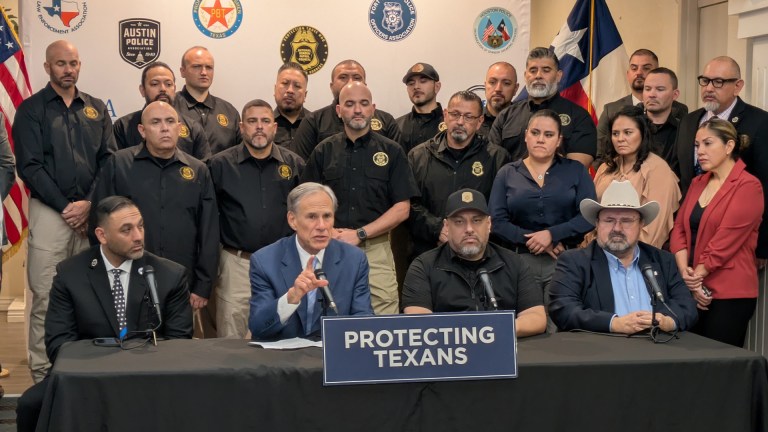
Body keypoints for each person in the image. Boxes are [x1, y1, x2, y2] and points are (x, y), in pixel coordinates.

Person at [15, 195, 193, 432]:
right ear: (102, 235)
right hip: (87, 375)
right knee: (29, 404)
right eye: (126, 230)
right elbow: (58, 343)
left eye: (140, 226)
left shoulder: (169, 275)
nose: (138, 236)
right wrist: (107, 369)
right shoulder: (70, 274)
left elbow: (179, 342)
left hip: (151, 375)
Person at [13, 40, 116, 381]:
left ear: (80, 65)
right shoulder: (31, 110)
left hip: (91, 214)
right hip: (49, 213)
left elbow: (108, 160)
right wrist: (66, 207)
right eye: (60, 63)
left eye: (73, 63)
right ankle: (43, 373)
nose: (67, 69)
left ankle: (84, 371)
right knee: (44, 295)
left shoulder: (97, 108)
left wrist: (88, 203)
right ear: (47, 68)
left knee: (89, 294)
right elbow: (29, 166)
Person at [94, 101, 219, 320]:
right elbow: (100, 225)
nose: (164, 128)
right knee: (129, 346)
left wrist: (203, 285)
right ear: (142, 130)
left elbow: (208, 231)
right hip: (127, 277)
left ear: (179, 128)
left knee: (177, 348)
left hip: (181, 280)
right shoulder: (118, 164)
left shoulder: (198, 171)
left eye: (170, 121)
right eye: (156, 122)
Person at [301, 82, 419, 315]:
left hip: (375, 249)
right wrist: (329, 230)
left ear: (372, 109)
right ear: (338, 110)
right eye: (350, 104)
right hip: (329, 247)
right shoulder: (323, 152)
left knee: (385, 315)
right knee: (329, 313)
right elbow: (305, 202)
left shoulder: (392, 151)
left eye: (364, 104)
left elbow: (402, 208)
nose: (357, 110)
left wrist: (360, 234)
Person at [489, 110, 595, 332]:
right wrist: (535, 240)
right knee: (523, 326)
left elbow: (589, 215)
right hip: (518, 261)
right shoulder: (507, 173)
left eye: (548, 134)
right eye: (535, 132)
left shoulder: (575, 171)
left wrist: (552, 234)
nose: (540, 139)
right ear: (526, 135)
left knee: (559, 326)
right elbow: (497, 221)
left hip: (564, 260)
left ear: (559, 141)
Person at [208, 99, 305, 338]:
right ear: (241, 127)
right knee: (232, 334)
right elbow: (207, 218)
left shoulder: (295, 165)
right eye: (252, 121)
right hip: (237, 263)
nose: (259, 127)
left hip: (283, 263)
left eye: (265, 121)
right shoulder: (219, 166)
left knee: (285, 328)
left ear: (274, 127)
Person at [549, 180, 698, 334]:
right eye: (609, 220)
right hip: (602, 351)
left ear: (641, 224)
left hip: (656, 349)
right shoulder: (574, 262)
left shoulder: (663, 260)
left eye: (626, 221)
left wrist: (667, 321)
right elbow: (563, 310)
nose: (617, 228)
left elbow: (687, 307)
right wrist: (614, 323)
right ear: (597, 224)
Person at [402, 188, 546, 337]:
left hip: (503, 349)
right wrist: (471, 334)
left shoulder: (514, 263)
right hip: (450, 353)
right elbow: (418, 322)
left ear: (489, 224)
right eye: (459, 222)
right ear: (446, 227)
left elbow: (536, 317)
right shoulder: (424, 266)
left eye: (476, 220)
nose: (469, 229)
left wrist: (497, 330)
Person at [670, 119, 763, 347]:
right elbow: (679, 229)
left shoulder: (749, 186)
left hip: (730, 293)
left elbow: (726, 241)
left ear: (729, 146)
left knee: (721, 370)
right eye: (697, 145)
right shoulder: (698, 182)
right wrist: (686, 273)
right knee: (691, 365)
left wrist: (695, 278)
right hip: (693, 287)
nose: (700, 151)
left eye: (708, 144)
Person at [249, 183, 373, 339]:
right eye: (312, 217)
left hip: (334, 357)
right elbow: (258, 327)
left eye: (327, 216)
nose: (321, 226)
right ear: (292, 220)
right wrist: (290, 299)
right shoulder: (264, 261)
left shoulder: (354, 259)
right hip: (283, 359)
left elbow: (363, 321)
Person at [675, 56, 768, 266]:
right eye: (705, 80)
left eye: (718, 82)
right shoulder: (690, 121)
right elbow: (682, 177)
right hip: (690, 235)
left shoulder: (760, 122)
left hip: (735, 240)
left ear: (737, 86)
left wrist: (763, 245)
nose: (709, 87)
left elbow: (765, 184)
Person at [409, 91, 510, 260]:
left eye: (469, 117)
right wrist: (438, 230)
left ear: (479, 122)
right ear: (445, 115)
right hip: (429, 253)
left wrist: (471, 235)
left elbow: (500, 208)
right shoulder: (419, 156)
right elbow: (409, 204)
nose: (460, 122)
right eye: (455, 114)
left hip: (481, 255)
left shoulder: (497, 158)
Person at [489, 47, 596, 168]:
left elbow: (576, 170)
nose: (538, 75)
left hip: (558, 186)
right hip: (509, 185)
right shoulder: (505, 116)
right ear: (525, 76)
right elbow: (492, 163)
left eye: (546, 70)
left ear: (558, 76)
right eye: (533, 70)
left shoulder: (579, 117)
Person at [592, 106, 680, 248]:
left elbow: (652, 231)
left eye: (628, 132)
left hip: (635, 256)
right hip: (598, 251)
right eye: (615, 133)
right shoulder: (605, 168)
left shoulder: (658, 170)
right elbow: (592, 217)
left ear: (643, 134)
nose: (620, 139)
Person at [291, 59, 401, 159]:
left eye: (357, 78)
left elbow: (398, 165)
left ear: (365, 85)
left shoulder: (386, 121)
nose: (350, 82)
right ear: (331, 86)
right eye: (343, 77)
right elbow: (302, 167)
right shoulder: (313, 122)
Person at [596, 49, 687, 158]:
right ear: (628, 73)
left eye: (646, 68)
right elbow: (600, 154)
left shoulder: (680, 111)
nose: (639, 72)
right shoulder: (611, 110)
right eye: (634, 68)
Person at [113, 61, 211, 161]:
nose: (163, 89)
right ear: (142, 90)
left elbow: (203, 170)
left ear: (174, 89)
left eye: (168, 84)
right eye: (155, 84)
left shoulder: (193, 128)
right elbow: (116, 167)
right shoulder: (123, 126)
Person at [173, 46, 241, 154]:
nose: (204, 72)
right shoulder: (170, 108)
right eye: (196, 66)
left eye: (209, 67)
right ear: (182, 71)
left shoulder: (229, 111)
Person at [642, 67, 685, 172]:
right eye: (647, 89)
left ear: (675, 95)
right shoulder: (631, 127)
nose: (652, 94)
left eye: (660, 89)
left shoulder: (684, 131)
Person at [396, 62, 444, 154]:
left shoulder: (451, 124)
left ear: (437, 87)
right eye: (411, 83)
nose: (416, 87)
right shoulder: (396, 126)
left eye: (423, 81)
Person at [273, 62, 310, 149]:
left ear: (305, 95)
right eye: (285, 83)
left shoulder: (315, 124)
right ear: (275, 89)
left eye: (297, 86)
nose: (290, 90)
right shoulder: (264, 125)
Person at [478, 62, 519, 137]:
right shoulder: (473, 121)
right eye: (492, 82)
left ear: (515, 89)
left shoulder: (524, 122)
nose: (498, 89)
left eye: (506, 83)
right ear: (485, 86)